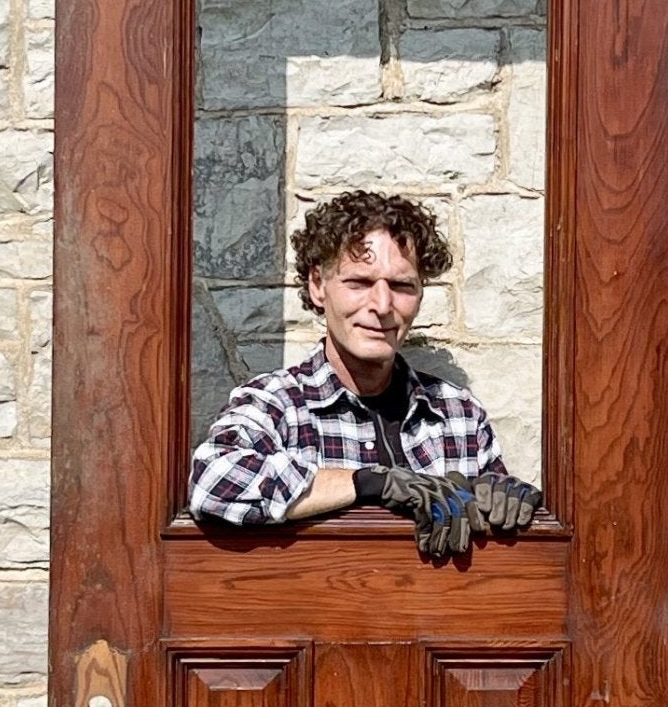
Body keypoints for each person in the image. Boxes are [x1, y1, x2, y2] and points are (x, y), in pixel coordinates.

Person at [188, 189, 542, 560]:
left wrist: (506, 500)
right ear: (318, 285)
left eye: (402, 286)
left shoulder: (459, 415)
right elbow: (212, 483)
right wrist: (368, 483)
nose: (382, 306)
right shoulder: (277, 404)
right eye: (359, 283)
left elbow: (501, 548)